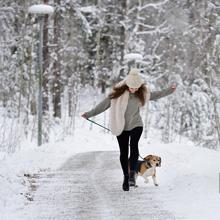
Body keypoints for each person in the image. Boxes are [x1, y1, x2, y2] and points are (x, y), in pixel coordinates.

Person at [81, 68, 176, 191]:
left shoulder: (141, 93)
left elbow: (156, 94)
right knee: (124, 152)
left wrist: (169, 90)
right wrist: (89, 114)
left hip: (136, 124)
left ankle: (132, 174)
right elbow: (102, 106)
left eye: (136, 88)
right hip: (121, 126)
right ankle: (126, 177)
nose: (134, 90)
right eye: (132, 88)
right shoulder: (116, 95)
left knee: (134, 145)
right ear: (127, 85)